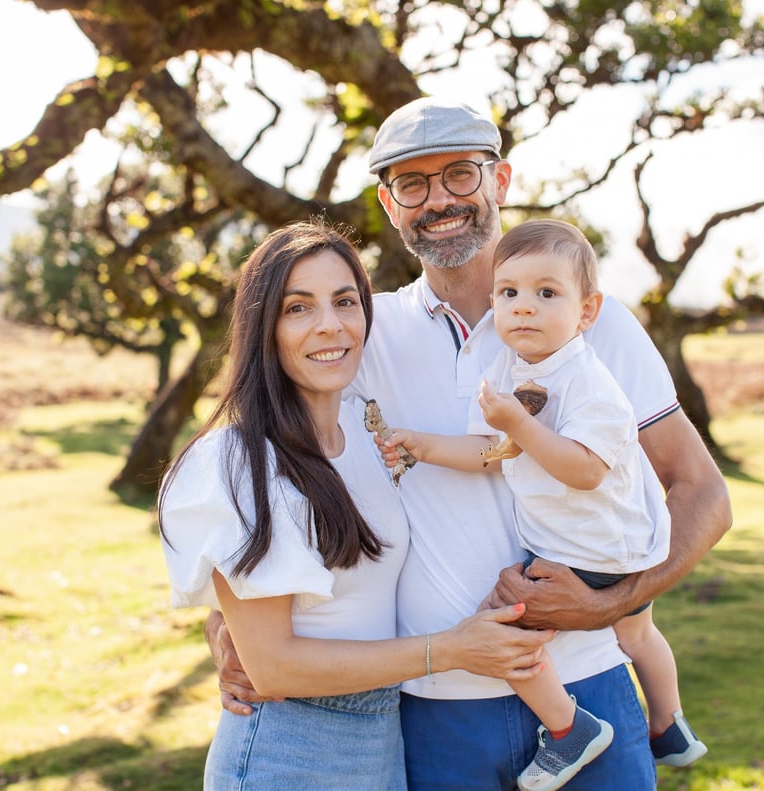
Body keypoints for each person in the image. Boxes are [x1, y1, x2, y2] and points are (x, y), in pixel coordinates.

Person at [205, 99, 732, 790]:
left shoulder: (590, 324)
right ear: (390, 205)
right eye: (413, 184)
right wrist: (227, 623)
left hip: (586, 687)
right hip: (432, 710)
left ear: (501, 181)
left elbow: (705, 494)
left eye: (460, 174)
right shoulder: (363, 330)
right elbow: (266, 459)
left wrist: (614, 600)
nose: (439, 200)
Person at [158, 220, 552, 790]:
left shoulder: (364, 433)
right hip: (289, 748)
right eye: (298, 308)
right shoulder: (239, 459)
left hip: (382, 740)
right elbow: (272, 667)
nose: (330, 325)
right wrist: (453, 649)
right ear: (262, 327)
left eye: (345, 301)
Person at [376, 219, 708, 790]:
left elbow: (581, 468)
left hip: (596, 549)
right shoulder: (513, 367)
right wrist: (423, 445)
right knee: (638, 634)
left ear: (586, 312)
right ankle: (670, 724)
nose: (523, 308)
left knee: (504, 615)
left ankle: (569, 729)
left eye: (545, 294)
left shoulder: (588, 380)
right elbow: (495, 449)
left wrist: (518, 424)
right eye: (509, 295)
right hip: (603, 543)